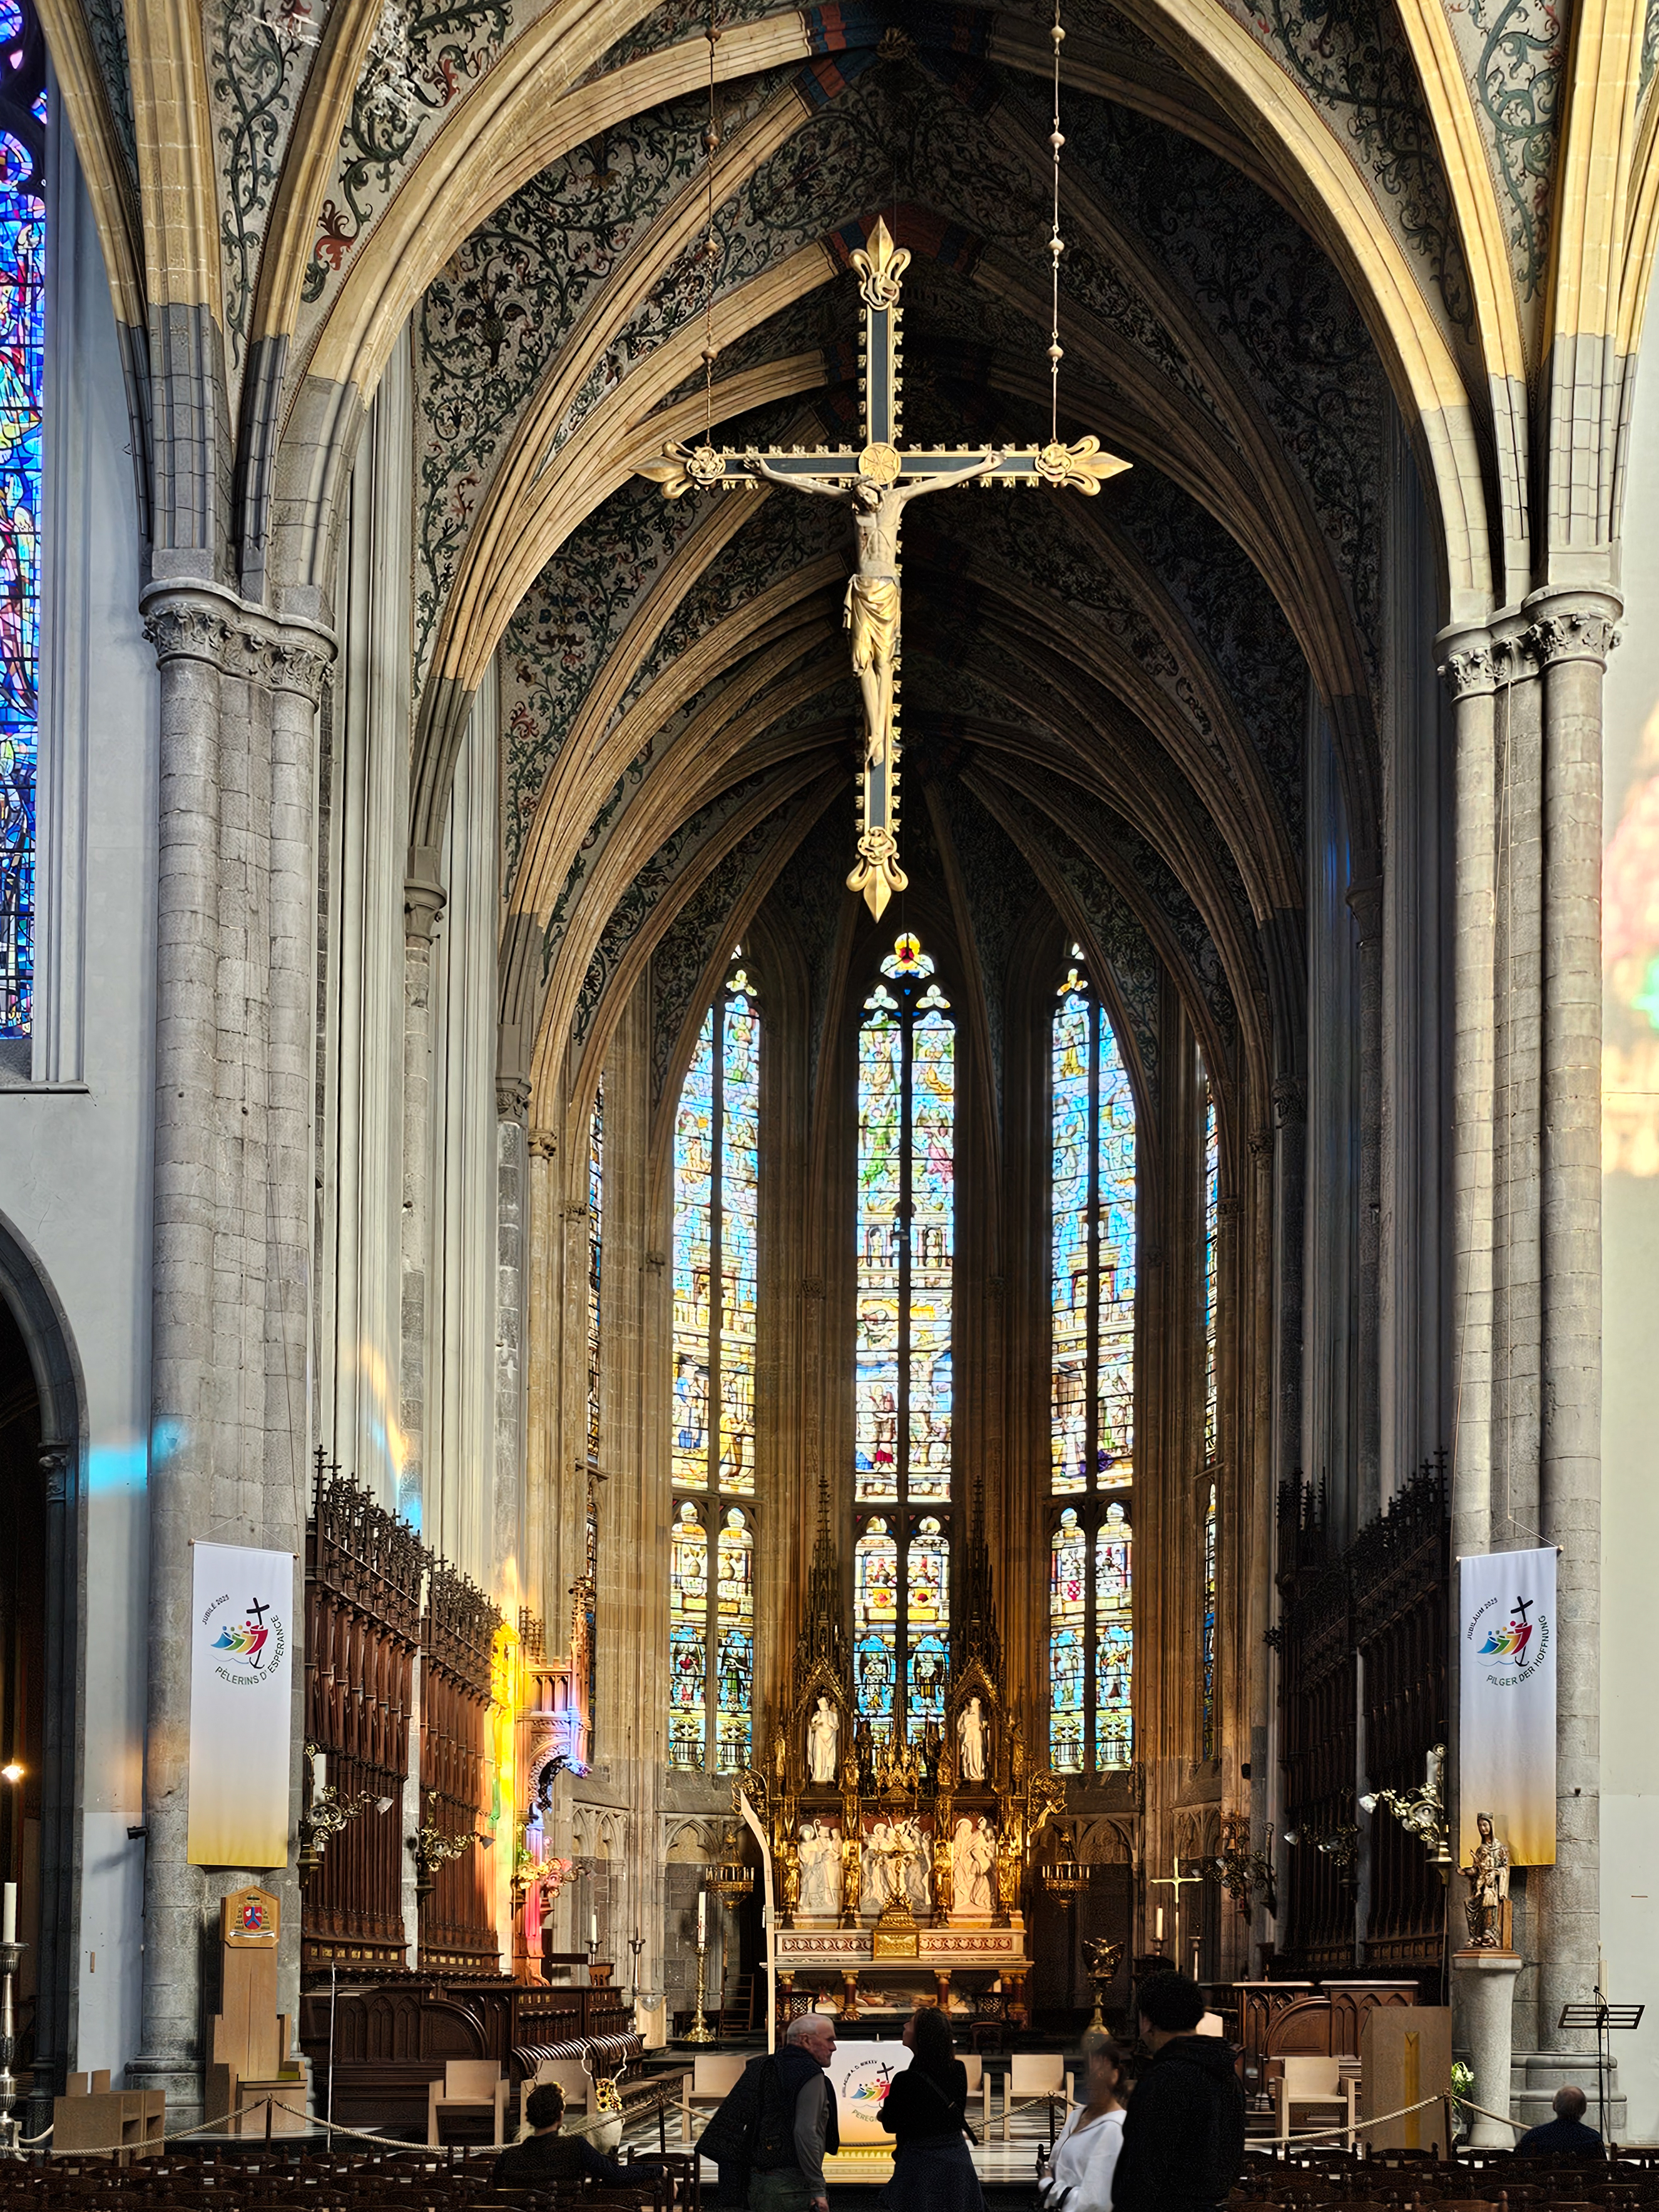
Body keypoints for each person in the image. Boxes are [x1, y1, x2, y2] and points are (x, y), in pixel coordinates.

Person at [1111, 1972, 1243, 2212]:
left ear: (1147, 2022)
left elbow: (1140, 2173)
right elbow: (1232, 2159)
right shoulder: (1226, 2073)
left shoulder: (1163, 2079)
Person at [701, 2012, 842, 2212]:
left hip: (755, 2183)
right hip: (790, 2186)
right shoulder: (811, 2075)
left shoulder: (761, 2065)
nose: (833, 2047)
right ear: (805, 2040)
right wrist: (818, 2189)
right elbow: (807, 2134)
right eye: (829, 2040)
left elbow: (731, 2125)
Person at [880, 2005, 985, 2212]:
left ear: (922, 2034)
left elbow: (891, 2125)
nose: (905, 2025)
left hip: (920, 2165)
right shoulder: (958, 2070)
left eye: (911, 2022)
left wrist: (884, 2113)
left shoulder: (905, 2080)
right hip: (955, 2162)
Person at [491, 2079, 646, 2189]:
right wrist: (659, 2170)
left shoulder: (508, 2156)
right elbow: (615, 2174)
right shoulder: (575, 2147)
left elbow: (497, 2194)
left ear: (529, 2117)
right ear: (560, 2117)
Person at [1043, 2034, 1128, 2212]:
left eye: (1100, 2072)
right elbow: (1055, 2164)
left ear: (1115, 2076)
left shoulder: (1114, 2127)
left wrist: (1049, 2186)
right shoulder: (1076, 2116)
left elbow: (1096, 2202)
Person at [1514, 2083, 1605, 2156]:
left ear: (1554, 2106)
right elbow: (1602, 2173)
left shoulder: (1534, 2136)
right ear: (1584, 2109)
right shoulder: (1593, 2139)